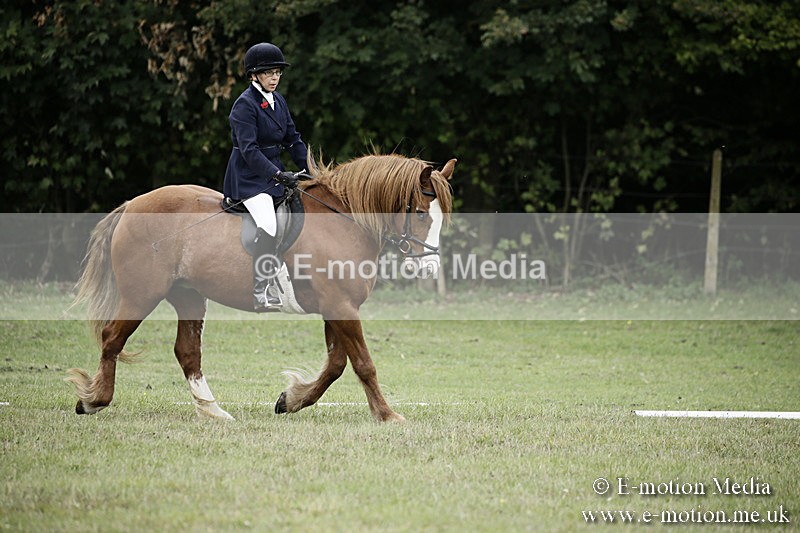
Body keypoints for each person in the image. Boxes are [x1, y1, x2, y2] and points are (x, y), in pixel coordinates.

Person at [223, 42, 308, 311]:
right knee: (269, 224)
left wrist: (312, 169)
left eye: (278, 72)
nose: (275, 78)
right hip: (249, 177)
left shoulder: (278, 101)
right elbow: (249, 150)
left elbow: (293, 139)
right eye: (269, 73)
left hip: (273, 174)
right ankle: (260, 291)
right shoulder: (244, 105)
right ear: (254, 75)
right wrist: (277, 174)